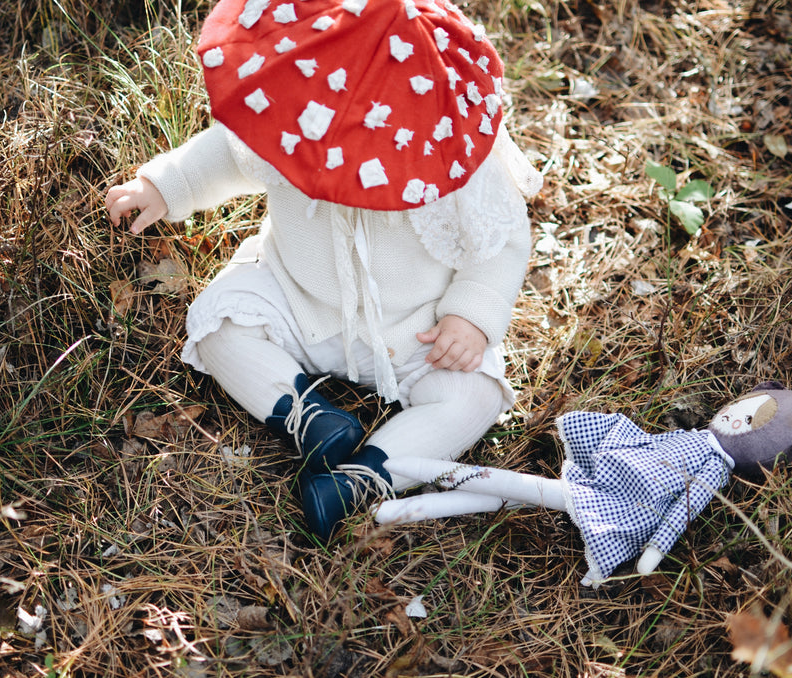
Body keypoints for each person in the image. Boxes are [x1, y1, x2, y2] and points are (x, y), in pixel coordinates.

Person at [105, 0, 543, 540]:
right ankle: (306, 417)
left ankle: (368, 475)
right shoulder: (299, 119)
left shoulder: (456, 154)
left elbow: (500, 242)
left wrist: (471, 316)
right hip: (296, 296)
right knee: (219, 324)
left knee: (475, 396)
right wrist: (166, 185)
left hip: (414, 329)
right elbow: (225, 153)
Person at [374, 383, 792, 586]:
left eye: (750, 423)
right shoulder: (697, 437)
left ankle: (422, 468)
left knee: (524, 488)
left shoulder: (715, 467)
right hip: (615, 469)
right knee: (507, 500)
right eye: (744, 408)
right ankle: (405, 509)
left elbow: (682, 511)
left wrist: (654, 550)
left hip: (627, 504)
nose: (735, 417)